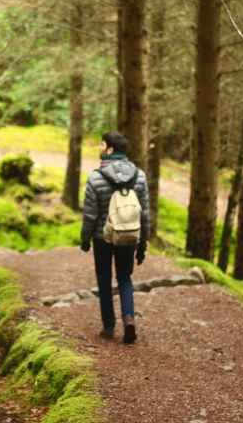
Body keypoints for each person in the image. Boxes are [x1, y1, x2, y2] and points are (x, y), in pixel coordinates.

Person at [80, 132, 149, 344]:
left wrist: (85, 238)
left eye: (102, 144)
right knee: (124, 278)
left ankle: (109, 327)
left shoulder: (95, 177)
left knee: (104, 278)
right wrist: (143, 241)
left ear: (109, 149)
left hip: (103, 237)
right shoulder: (139, 176)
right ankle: (129, 319)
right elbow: (144, 212)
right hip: (129, 235)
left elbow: (90, 214)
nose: (100, 147)